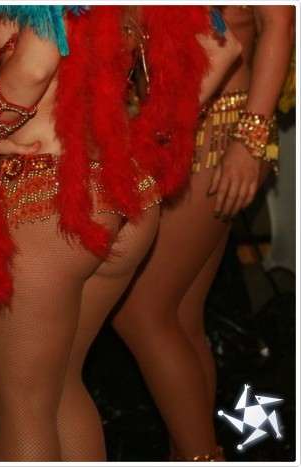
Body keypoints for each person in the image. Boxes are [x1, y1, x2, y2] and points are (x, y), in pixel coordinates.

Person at [0, 5, 227, 461]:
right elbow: (222, 48)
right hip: (124, 191)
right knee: (60, 388)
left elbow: (36, 66)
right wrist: (149, 136)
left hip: (49, 198)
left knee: (25, 410)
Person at [111, 5, 294, 462]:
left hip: (219, 129)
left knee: (138, 312)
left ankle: (198, 457)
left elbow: (279, 20)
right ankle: (193, 452)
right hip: (164, 129)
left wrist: (251, 139)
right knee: (180, 316)